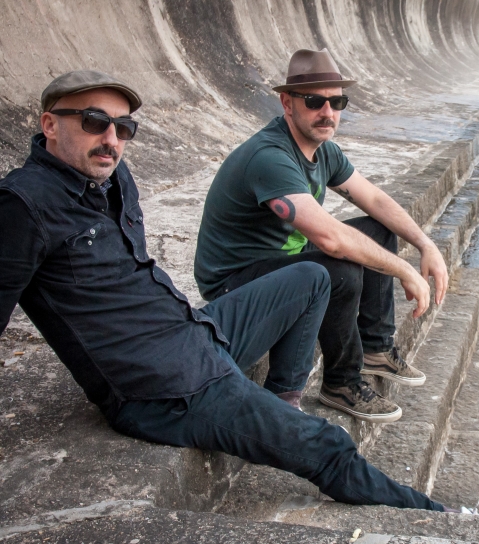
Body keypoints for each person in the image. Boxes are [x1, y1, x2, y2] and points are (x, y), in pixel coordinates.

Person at [0, 70, 447, 512]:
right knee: (326, 443)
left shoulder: (112, 179)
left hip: (193, 332)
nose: (112, 140)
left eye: (124, 127)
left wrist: (424, 245)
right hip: (164, 388)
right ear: (50, 125)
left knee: (312, 278)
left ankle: (282, 401)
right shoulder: (23, 206)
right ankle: (436, 519)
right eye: (95, 122)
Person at [194, 49, 450, 423]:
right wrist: (404, 270)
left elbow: (375, 199)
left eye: (337, 101)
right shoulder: (270, 156)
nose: (327, 112)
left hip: (280, 262)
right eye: (314, 101)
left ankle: (376, 350)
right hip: (236, 283)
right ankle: (340, 383)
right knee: (339, 269)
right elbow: (331, 240)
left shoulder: (324, 151)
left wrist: (426, 245)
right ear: (287, 103)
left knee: (377, 232)